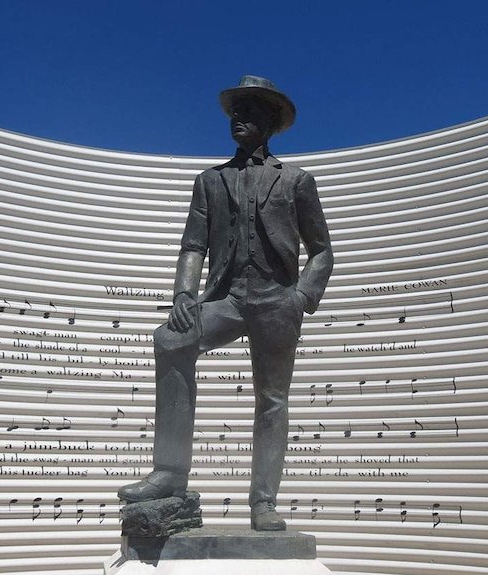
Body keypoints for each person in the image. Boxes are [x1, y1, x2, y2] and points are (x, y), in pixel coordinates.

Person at [118, 75, 333, 531]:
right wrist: (183, 294)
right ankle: (170, 473)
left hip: (278, 300)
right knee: (171, 340)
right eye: (236, 109)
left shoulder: (296, 181)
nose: (239, 117)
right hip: (228, 297)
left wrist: (302, 298)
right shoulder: (210, 181)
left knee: (271, 399)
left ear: (271, 123)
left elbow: (322, 251)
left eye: (250, 110)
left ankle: (263, 503)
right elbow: (192, 245)